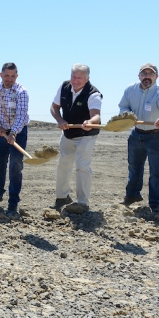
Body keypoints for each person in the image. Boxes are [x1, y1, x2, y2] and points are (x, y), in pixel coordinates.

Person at [118, 63, 159, 213]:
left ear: (156, 77)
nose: (147, 76)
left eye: (150, 74)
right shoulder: (130, 89)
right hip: (137, 134)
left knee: (156, 170)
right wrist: (127, 116)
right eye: (144, 73)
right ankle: (132, 195)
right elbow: (123, 106)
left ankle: (155, 204)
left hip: (158, 135)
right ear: (139, 76)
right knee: (134, 167)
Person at [49, 64, 102, 210]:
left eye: (79, 77)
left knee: (82, 167)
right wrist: (60, 120)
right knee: (63, 164)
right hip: (68, 133)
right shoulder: (64, 86)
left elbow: (96, 115)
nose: (75, 80)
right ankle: (62, 197)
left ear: (87, 79)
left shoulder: (93, 94)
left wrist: (90, 122)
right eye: (73, 76)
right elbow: (54, 107)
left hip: (86, 135)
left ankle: (83, 203)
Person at [0, 62, 29, 217]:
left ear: (16, 76)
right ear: (1, 75)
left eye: (12, 76)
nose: (9, 79)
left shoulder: (22, 92)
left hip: (19, 132)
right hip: (1, 131)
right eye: (6, 76)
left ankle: (13, 202)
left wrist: (14, 132)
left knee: (15, 167)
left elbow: (22, 114)